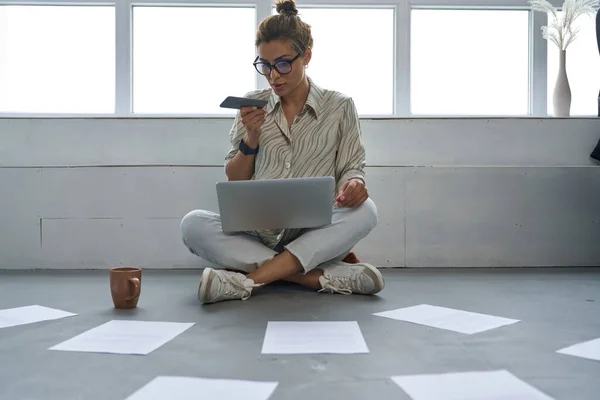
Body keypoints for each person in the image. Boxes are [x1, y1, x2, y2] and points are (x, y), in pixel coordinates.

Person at [180, 0, 384, 304]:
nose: (274, 75)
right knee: (192, 223)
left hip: (315, 235)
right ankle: (315, 277)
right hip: (257, 235)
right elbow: (235, 179)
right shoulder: (251, 105)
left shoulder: (340, 106)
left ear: (307, 56)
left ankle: (248, 281)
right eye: (265, 65)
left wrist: (354, 185)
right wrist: (252, 137)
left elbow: (352, 168)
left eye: (283, 63)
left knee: (366, 211)